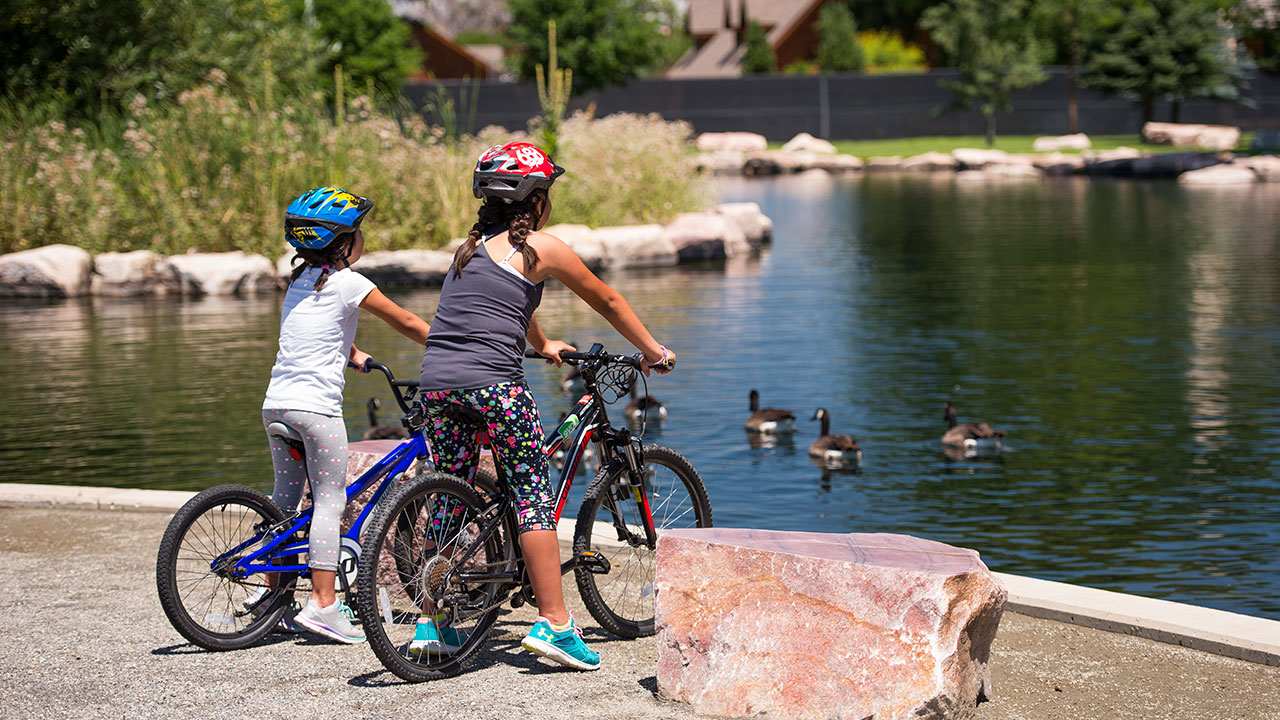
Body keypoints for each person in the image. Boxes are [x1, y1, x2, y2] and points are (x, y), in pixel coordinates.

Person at [415, 142, 676, 671]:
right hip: (494, 385)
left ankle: (432, 622)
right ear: (536, 200)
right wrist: (654, 352)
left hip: (437, 387)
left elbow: (508, 303)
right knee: (533, 496)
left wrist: (541, 342)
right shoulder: (543, 247)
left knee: (452, 491)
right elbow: (607, 299)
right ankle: (556, 625)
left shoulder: (469, 250)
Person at [260, 186, 432, 644]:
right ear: (343, 243)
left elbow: (309, 332)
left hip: (277, 403)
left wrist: (351, 351)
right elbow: (407, 323)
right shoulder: (350, 282)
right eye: (358, 232)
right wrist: (452, 343)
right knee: (330, 501)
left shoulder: (298, 282)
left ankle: (271, 599)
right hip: (316, 411)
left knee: (285, 499)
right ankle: (323, 605)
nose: (362, 239)